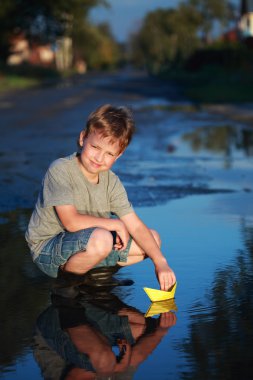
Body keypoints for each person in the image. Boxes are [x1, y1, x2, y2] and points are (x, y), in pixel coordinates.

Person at [25, 104, 176, 290]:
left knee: (153, 240)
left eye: (109, 153)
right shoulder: (61, 169)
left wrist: (160, 262)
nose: (99, 158)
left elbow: (135, 224)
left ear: (118, 155)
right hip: (48, 248)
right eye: (95, 147)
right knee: (104, 237)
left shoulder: (111, 182)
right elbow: (71, 222)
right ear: (83, 138)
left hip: (89, 240)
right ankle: (66, 286)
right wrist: (115, 224)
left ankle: (96, 280)